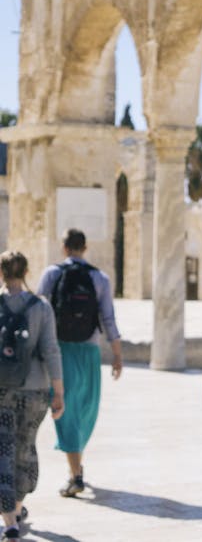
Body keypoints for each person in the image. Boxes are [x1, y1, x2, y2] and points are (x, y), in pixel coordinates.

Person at [36, 229, 123, 498]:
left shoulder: (51, 274)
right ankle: (76, 471)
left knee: (67, 410)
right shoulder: (99, 278)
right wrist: (117, 354)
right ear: (85, 248)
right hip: (90, 350)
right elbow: (108, 318)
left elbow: (38, 311)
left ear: (64, 248)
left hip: (60, 350)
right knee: (85, 409)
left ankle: (75, 472)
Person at [0, 251, 64, 540]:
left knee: (3, 451)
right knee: (25, 449)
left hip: (2, 390)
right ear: (26, 271)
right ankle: (17, 505)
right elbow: (51, 349)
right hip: (35, 389)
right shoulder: (41, 306)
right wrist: (58, 392)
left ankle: (10, 521)